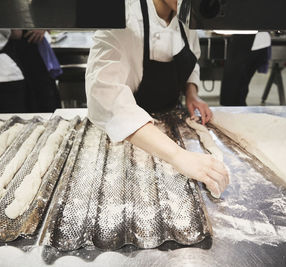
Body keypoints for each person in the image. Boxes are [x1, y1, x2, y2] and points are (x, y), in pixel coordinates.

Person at [86, 0, 229, 196]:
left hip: (171, 121)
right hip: (127, 137)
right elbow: (105, 96)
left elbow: (192, 57)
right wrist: (178, 155)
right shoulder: (122, 15)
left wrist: (191, 92)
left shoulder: (187, 14)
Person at [220, 32, 271, 106]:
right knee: (236, 91)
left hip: (250, 41)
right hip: (253, 42)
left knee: (233, 93)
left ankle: (236, 114)